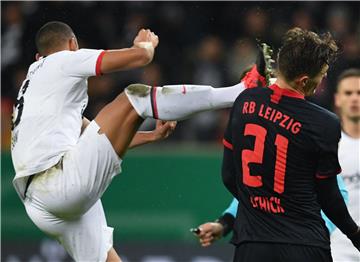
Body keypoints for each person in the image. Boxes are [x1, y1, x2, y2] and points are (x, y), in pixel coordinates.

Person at [11, 21, 268, 261]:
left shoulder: (34, 91)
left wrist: (152, 136)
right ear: (72, 45)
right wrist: (145, 44)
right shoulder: (63, 60)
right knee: (133, 97)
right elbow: (140, 58)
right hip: (60, 183)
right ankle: (239, 92)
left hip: (39, 204)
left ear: (37, 57)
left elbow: (95, 136)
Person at [219, 27, 360, 262]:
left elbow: (229, 176)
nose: (323, 79)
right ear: (304, 80)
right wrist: (354, 233)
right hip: (304, 245)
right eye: (322, 74)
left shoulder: (244, 102)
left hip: (251, 244)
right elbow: (330, 196)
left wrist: (261, 209)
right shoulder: (324, 123)